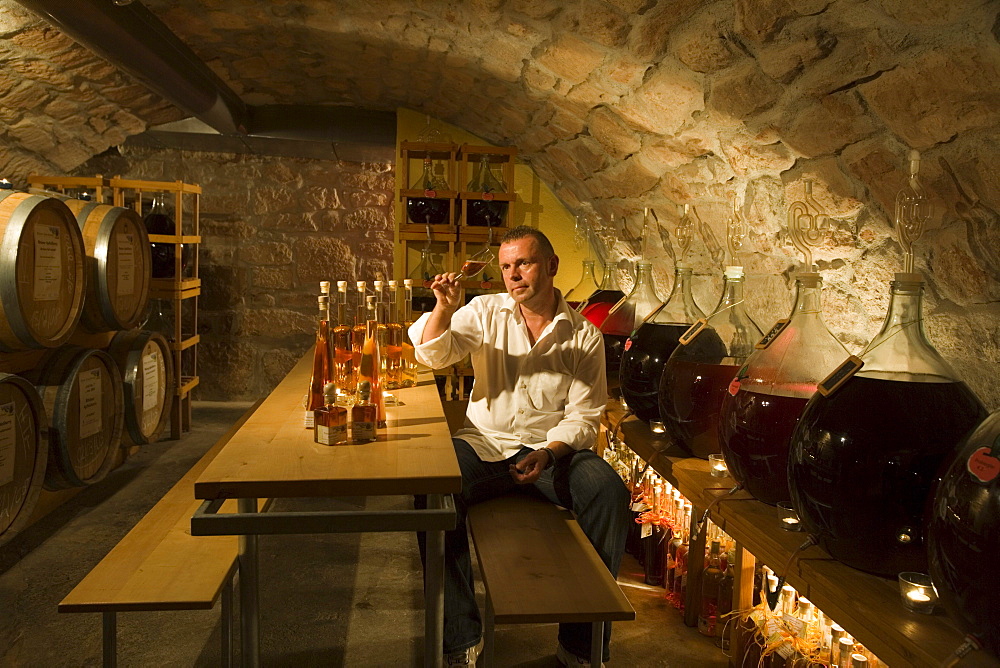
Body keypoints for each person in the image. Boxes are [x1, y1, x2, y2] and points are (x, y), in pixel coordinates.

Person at [410, 226, 630, 667]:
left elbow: (585, 417)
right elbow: (431, 354)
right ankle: (461, 640)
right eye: (507, 266)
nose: (513, 275)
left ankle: (582, 648)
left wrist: (550, 452)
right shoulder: (485, 310)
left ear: (551, 266)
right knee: (433, 489)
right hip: (485, 445)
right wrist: (443, 308)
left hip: (551, 455)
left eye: (524, 263)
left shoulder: (583, 335)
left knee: (610, 492)